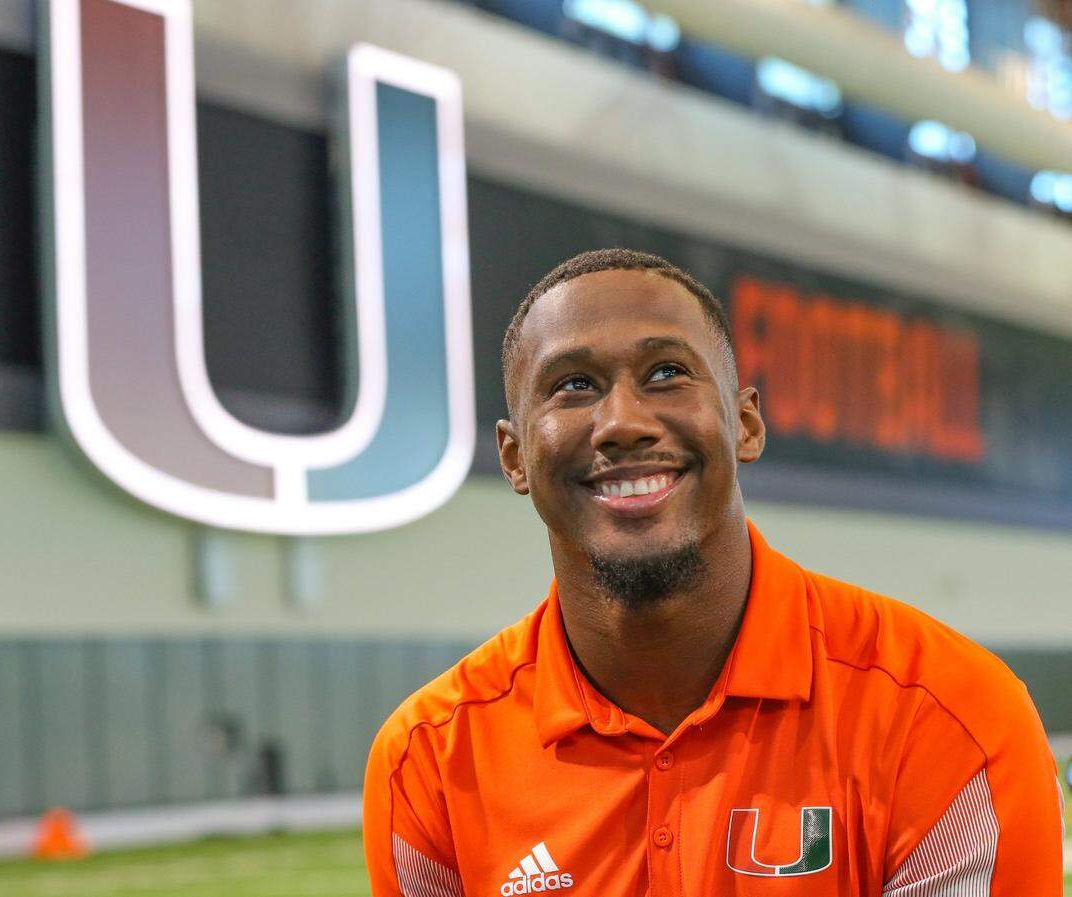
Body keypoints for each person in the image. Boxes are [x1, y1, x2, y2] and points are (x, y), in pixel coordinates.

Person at [363, 248, 1064, 896]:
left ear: (746, 423)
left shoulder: (948, 716)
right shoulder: (429, 761)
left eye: (666, 373)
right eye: (574, 385)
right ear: (515, 457)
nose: (622, 422)